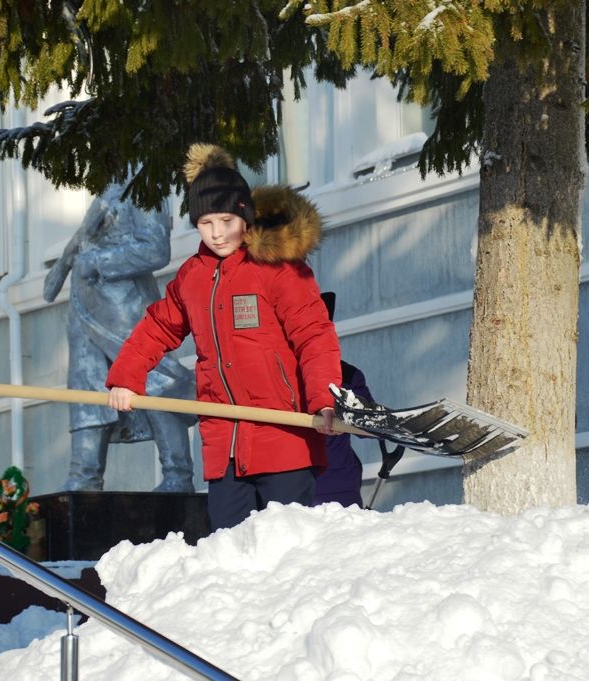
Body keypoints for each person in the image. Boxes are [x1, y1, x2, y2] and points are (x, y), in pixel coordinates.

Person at [106, 143, 341, 531]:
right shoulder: (193, 276)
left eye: (226, 221)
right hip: (224, 446)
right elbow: (158, 327)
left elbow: (314, 336)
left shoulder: (276, 270)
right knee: (228, 557)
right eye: (206, 223)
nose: (217, 234)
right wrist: (126, 377)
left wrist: (323, 400)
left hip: (284, 441)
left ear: (244, 216)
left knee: (286, 553)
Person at [43, 183, 197, 493]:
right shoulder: (109, 183)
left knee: (155, 380)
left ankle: (178, 474)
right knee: (86, 384)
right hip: (86, 302)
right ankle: (84, 475)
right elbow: (86, 239)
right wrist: (67, 263)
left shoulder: (143, 184)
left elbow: (156, 249)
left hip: (126, 305)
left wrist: (97, 262)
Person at [311, 292, 373, 508]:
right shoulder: (280, 375)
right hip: (296, 484)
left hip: (340, 484)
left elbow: (370, 425)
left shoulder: (349, 374)